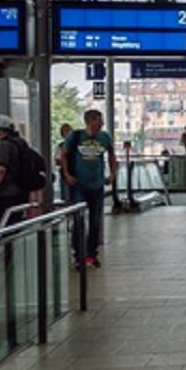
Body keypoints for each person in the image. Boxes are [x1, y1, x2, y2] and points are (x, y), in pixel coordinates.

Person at [62, 109, 117, 268]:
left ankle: (91, 254)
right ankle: (78, 255)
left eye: (101, 121)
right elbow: (64, 155)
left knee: (95, 221)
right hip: (79, 184)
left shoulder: (104, 137)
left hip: (97, 184)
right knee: (79, 221)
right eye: (98, 121)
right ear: (89, 122)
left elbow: (111, 156)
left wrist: (112, 174)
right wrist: (67, 174)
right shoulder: (76, 136)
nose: (101, 124)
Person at [0, 116, 35, 227]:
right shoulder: (20, 143)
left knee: (3, 229)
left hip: (6, 195)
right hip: (21, 192)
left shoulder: (2, 145)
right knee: (14, 228)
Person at [53, 123, 73, 201]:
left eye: (69, 130)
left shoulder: (77, 145)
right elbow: (57, 161)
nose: (68, 133)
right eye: (65, 131)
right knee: (66, 197)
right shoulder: (60, 146)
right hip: (65, 174)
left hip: (76, 174)